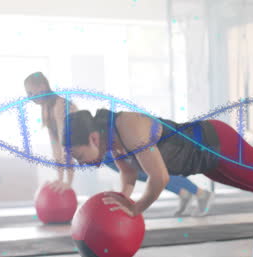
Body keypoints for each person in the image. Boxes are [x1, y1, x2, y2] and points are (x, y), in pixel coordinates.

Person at [62, 108, 253, 221]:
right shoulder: (111, 142)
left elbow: (158, 178)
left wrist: (136, 209)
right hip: (206, 162)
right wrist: (123, 198)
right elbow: (128, 173)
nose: (80, 162)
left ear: (93, 137)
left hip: (216, 143)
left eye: (78, 154)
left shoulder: (127, 125)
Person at [24, 72, 211, 216]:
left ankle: (197, 192)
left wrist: (68, 182)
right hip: (101, 148)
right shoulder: (46, 110)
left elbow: (71, 145)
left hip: (103, 145)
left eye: (32, 91)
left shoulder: (59, 106)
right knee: (144, 173)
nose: (30, 96)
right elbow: (58, 149)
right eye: (28, 93)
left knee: (149, 172)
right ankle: (185, 192)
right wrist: (60, 179)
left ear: (43, 86)